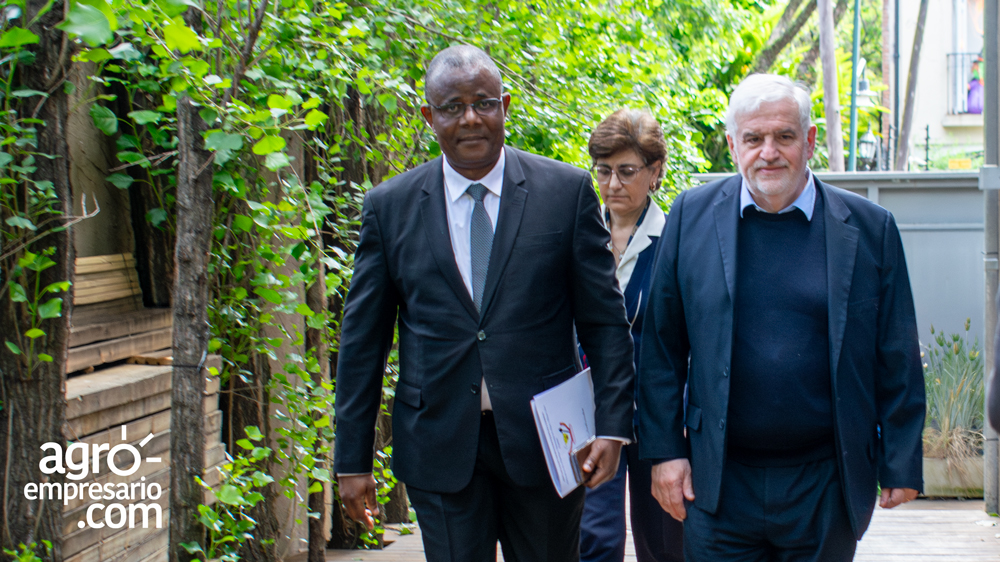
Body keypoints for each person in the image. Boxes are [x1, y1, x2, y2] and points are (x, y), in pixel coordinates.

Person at [332, 45, 635, 562]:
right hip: (440, 445)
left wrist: (611, 425)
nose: (470, 118)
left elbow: (605, 322)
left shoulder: (564, 192)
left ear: (506, 106)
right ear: (429, 116)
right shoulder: (391, 208)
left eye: (484, 103)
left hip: (548, 446)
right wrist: (352, 459)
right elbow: (363, 342)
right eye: (452, 106)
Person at [638, 73, 926, 561]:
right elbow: (661, 347)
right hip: (718, 481)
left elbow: (895, 349)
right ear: (733, 145)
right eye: (753, 139)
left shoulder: (870, 228)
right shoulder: (690, 215)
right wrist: (666, 452)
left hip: (825, 482)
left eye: (783, 137)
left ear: (809, 141)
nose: (768, 152)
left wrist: (901, 461)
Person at [579, 109, 683, 562]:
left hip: (656, 416)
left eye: (626, 171)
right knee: (593, 539)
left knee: (662, 540)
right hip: (589, 414)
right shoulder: (578, 236)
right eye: (603, 171)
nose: (613, 184)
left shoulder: (677, 239)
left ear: (655, 171)